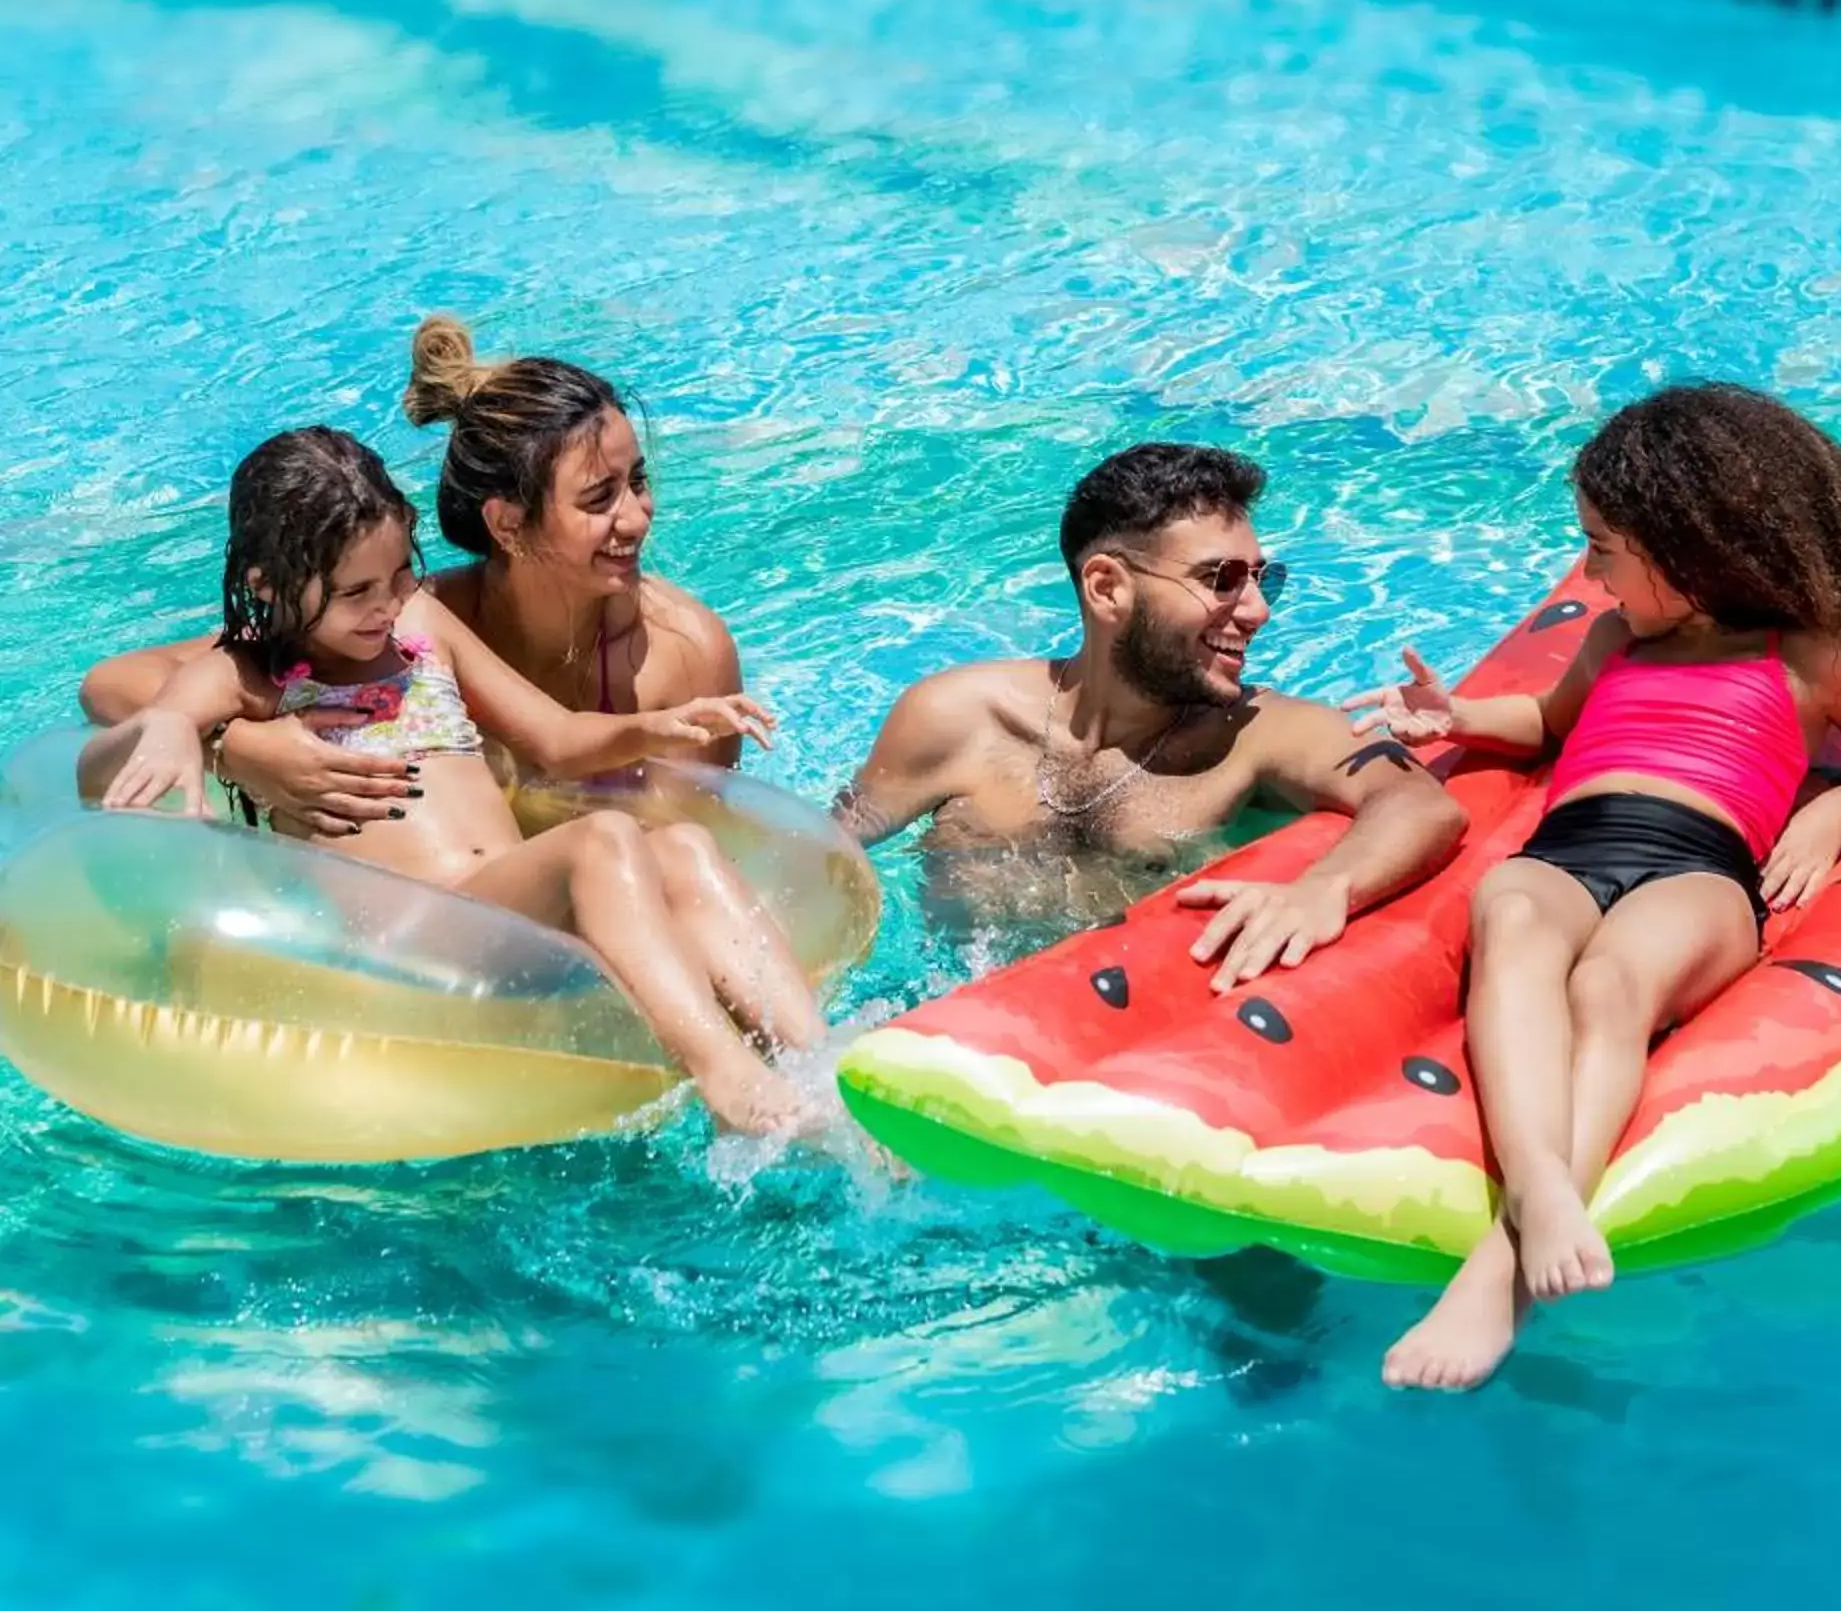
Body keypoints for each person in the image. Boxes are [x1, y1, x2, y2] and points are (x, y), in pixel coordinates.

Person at [1350, 384, 1841, 1395]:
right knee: (1512, 916)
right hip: (1571, 846)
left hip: (1700, 865)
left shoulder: (1806, 653)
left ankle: (1498, 1273)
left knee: (1608, 988)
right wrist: (1454, 717)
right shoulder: (1617, 640)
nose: (1589, 567)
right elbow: (1550, 723)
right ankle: (1540, 1190)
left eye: (1603, 545)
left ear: (1687, 548)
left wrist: (1828, 812)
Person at [79, 428, 824, 1136]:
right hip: (420, 940)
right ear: (267, 587)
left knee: (683, 845)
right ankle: (728, 1080)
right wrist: (207, 737)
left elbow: (557, 739)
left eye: (400, 572)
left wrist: (657, 727)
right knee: (600, 841)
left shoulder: (420, 629)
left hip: (508, 899)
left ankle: (820, 1061)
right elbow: (157, 711)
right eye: (355, 591)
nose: (385, 603)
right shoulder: (251, 675)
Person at [79, 317, 745, 842]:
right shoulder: (398, 618)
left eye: (639, 483)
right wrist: (240, 748)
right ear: (507, 524)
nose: (636, 518)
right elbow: (115, 683)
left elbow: (707, 843)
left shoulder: (685, 657)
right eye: (599, 498)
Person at [837, 442, 1466, 972]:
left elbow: (1418, 803)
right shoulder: (957, 717)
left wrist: (1326, 888)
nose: (1257, 611)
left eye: (1262, 578)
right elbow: (824, 848)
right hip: (929, 1020)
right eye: (1221, 579)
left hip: (1122, 1032)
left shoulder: (1253, 735)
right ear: (1107, 588)